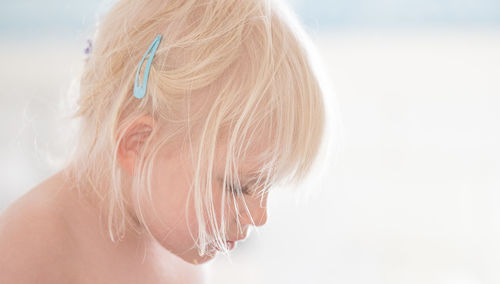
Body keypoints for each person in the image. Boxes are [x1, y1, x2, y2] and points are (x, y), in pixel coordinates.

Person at [0, 0, 328, 282]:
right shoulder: (27, 251)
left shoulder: (181, 253)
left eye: (266, 186)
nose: (259, 216)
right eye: (238, 187)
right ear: (139, 144)